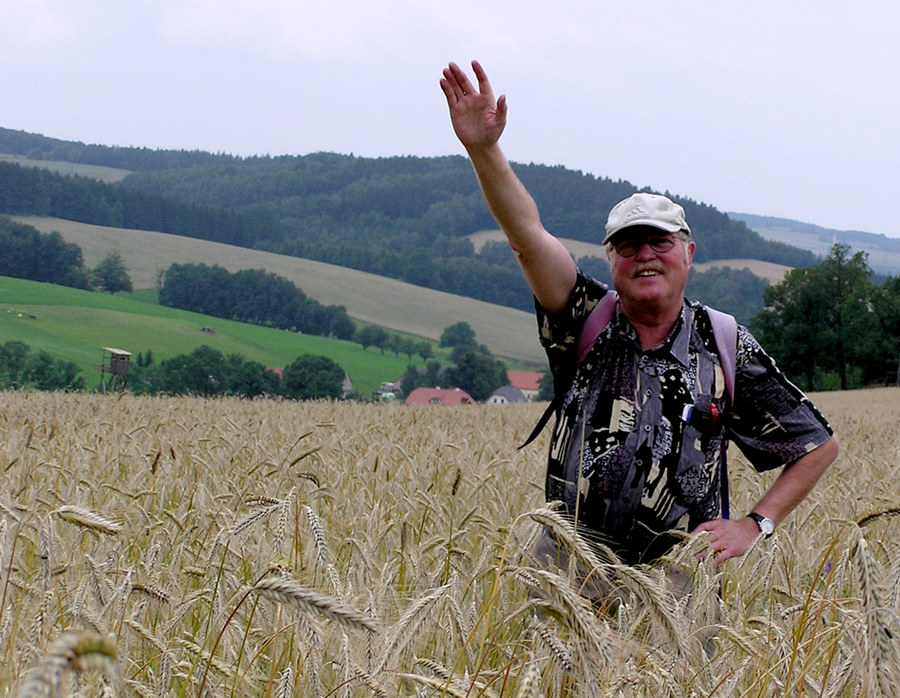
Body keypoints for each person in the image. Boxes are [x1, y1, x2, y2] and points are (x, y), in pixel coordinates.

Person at [440, 60, 839, 579]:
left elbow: (817, 445)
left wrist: (755, 524)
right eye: (628, 244)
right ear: (611, 259)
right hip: (569, 577)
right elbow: (527, 237)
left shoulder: (723, 343)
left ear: (688, 252)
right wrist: (484, 149)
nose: (645, 253)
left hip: (680, 584)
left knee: (682, 667)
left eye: (660, 241)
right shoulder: (581, 317)